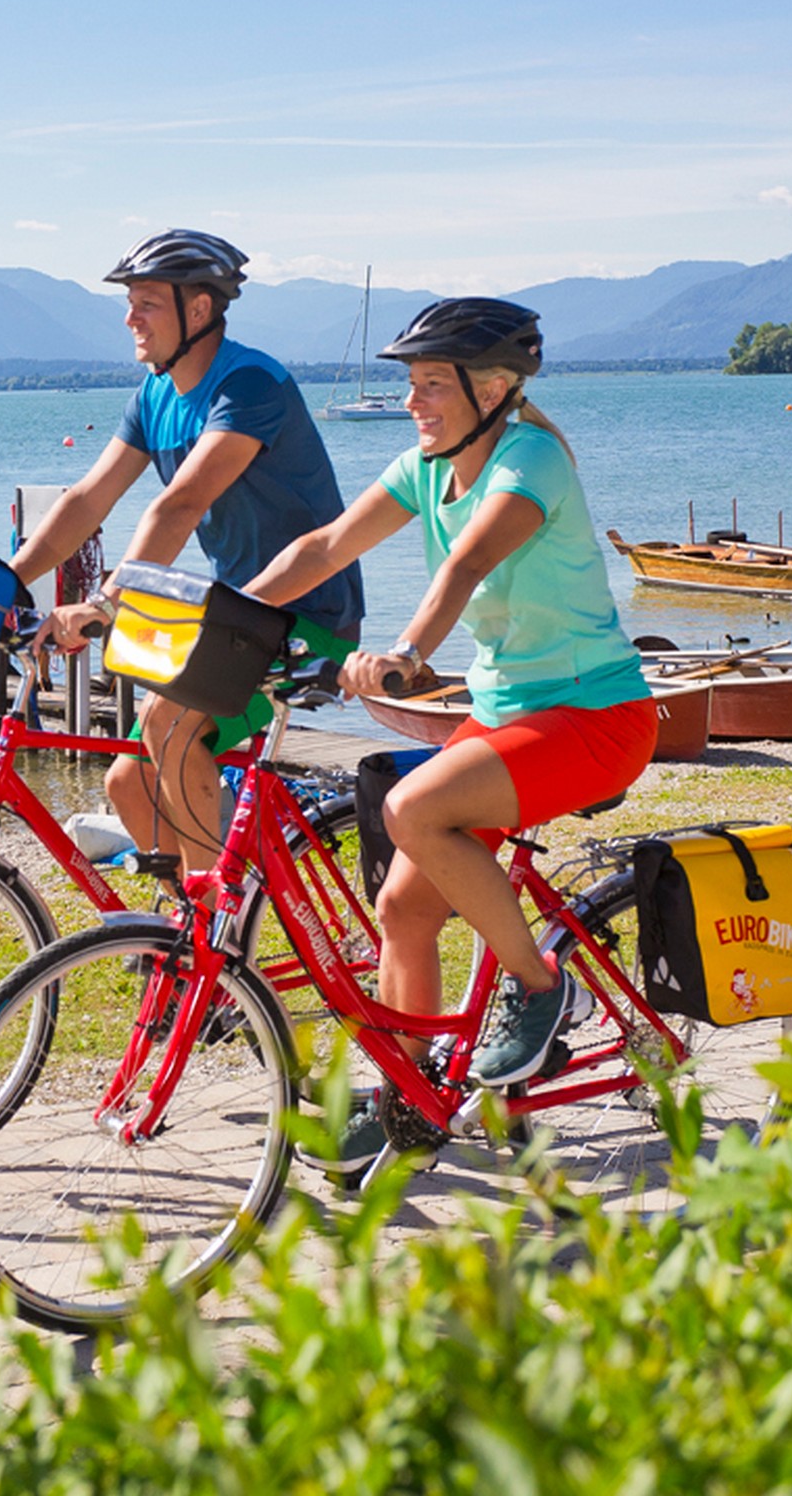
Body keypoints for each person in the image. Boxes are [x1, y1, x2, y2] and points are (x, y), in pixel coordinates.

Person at [245, 297, 655, 1091]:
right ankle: (410, 1093)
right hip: (508, 718)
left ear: (493, 391)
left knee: (412, 808)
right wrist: (226, 620)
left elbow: (463, 567)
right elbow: (326, 546)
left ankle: (543, 988)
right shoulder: (425, 471)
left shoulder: (530, 461)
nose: (411, 402)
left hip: (597, 717)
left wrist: (403, 653)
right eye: (412, 383)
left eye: (432, 384)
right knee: (402, 910)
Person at [13, 230, 363, 859]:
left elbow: (180, 506)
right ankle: (190, 933)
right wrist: (5, 583)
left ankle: (214, 947)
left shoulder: (249, 384)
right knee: (130, 781)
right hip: (236, 617)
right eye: (130, 303)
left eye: (146, 303)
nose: (129, 319)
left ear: (198, 310)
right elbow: (87, 501)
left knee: (168, 728)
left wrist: (107, 603)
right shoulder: (154, 395)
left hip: (308, 613)